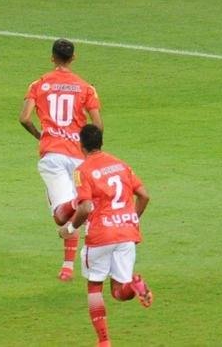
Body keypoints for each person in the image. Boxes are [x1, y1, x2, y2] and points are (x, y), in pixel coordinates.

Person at [58, 124, 152, 347]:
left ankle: (103, 341)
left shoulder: (83, 170)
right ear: (101, 142)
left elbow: (86, 207)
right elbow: (144, 196)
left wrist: (69, 230)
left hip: (100, 235)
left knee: (94, 286)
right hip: (126, 233)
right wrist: (132, 219)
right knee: (120, 291)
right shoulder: (120, 164)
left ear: (81, 145)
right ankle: (135, 285)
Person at [19, 38, 103, 282]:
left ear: (52, 57)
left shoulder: (39, 84)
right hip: (79, 157)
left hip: (52, 155)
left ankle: (68, 265)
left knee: (62, 213)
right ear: (73, 58)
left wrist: (40, 136)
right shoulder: (86, 87)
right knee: (77, 209)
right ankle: (68, 265)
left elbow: (24, 118)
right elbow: (97, 125)